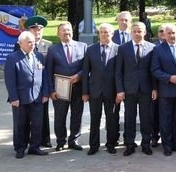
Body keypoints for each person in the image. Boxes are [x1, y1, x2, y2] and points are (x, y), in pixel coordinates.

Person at [5, 31, 51, 158]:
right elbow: (10, 80)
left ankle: (34, 147)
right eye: (29, 42)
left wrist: (45, 93)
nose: (32, 44)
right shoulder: (12, 58)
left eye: (33, 42)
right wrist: (14, 97)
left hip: (37, 97)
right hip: (20, 98)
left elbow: (44, 76)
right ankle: (20, 148)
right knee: (21, 124)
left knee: (37, 124)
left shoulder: (39, 56)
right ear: (20, 44)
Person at [115, 21, 157, 156]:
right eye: (135, 31)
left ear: (145, 32)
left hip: (146, 89)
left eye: (140, 31)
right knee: (129, 118)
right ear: (131, 33)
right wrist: (120, 90)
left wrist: (155, 88)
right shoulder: (123, 48)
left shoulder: (152, 48)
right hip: (129, 90)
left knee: (146, 118)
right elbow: (119, 72)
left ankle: (146, 144)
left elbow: (153, 71)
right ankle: (129, 144)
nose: (137, 34)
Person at [46, 22, 87, 151]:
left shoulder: (83, 46)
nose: (66, 32)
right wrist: (51, 90)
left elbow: (86, 68)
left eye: (68, 30)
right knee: (60, 116)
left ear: (72, 31)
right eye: (63, 31)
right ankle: (60, 141)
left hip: (78, 87)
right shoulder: (53, 49)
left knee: (77, 115)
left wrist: (79, 75)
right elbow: (48, 71)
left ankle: (73, 140)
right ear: (58, 34)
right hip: (60, 89)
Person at [14, 15, 53, 147]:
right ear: (29, 31)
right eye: (34, 29)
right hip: (24, 89)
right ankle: (22, 142)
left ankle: (44, 139)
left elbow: (49, 67)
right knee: (22, 118)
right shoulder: (19, 44)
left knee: (43, 114)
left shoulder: (48, 45)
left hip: (42, 86)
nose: (37, 32)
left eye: (39, 29)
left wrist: (48, 89)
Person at [82, 23, 120, 155]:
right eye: (102, 32)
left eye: (107, 32)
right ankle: (93, 145)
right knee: (95, 119)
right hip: (95, 91)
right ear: (99, 34)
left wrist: (120, 91)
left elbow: (119, 73)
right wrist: (85, 92)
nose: (104, 34)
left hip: (112, 91)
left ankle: (111, 144)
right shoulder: (90, 49)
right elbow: (86, 72)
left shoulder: (118, 49)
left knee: (111, 120)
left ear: (112, 34)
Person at [151, 23, 176, 156]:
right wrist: (169, 78)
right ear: (164, 35)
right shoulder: (158, 49)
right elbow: (155, 70)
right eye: (169, 33)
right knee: (166, 119)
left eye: (173, 33)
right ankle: (167, 145)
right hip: (166, 90)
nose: (172, 36)